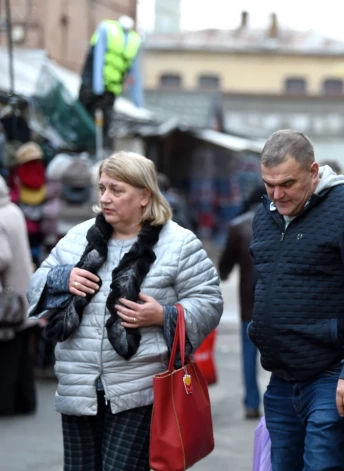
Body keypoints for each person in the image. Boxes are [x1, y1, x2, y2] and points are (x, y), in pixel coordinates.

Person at [26, 151, 223, 470]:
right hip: (79, 387)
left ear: (144, 195)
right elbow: (35, 286)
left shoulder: (179, 243)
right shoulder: (79, 238)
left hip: (139, 388)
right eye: (102, 188)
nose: (105, 198)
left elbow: (209, 302)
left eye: (117, 190)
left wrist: (163, 315)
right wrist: (64, 277)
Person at [248, 130, 344, 470]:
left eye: (287, 183)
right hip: (282, 378)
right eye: (269, 184)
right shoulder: (265, 215)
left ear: (313, 172)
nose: (277, 194)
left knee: (321, 465)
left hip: (334, 373)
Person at [218, 185, 267, 420]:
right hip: (277, 304)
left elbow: (225, 265)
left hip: (249, 304)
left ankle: (251, 402)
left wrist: (225, 273)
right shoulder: (281, 223)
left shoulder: (238, 227)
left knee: (249, 355)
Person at [0, 174, 37, 415]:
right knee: (22, 354)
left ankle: (5, 404)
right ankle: (26, 402)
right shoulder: (12, 209)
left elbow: (2, 257)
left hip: (6, 298)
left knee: (6, 356)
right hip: (22, 293)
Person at [78, 16, 144, 147]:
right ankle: (82, 146)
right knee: (83, 118)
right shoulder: (106, 29)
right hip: (91, 85)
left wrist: (138, 102)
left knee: (104, 124)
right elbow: (98, 57)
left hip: (110, 91)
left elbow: (134, 72)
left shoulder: (134, 40)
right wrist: (97, 87)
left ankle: (98, 149)